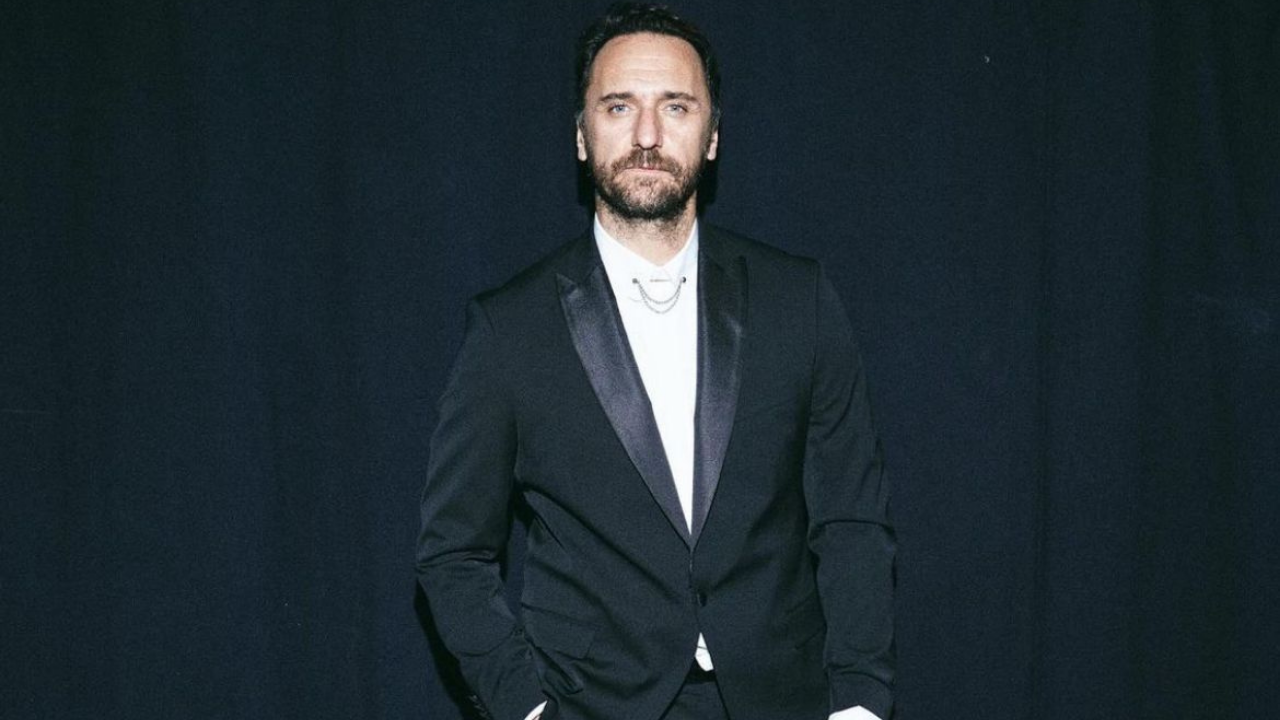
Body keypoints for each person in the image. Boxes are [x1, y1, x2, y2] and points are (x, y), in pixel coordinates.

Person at [417, 4, 894, 719]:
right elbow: (452, 553)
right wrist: (527, 709)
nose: (646, 135)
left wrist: (859, 702)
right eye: (619, 106)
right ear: (582, 135)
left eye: (675, 106)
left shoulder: (800, 300)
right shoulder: (509, 329)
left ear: (713, 134)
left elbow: (852, 518)